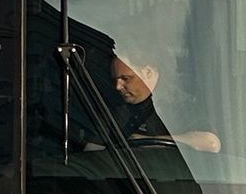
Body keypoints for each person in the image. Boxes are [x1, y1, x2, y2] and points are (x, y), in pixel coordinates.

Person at [90, 45, 220, 153]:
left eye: (125, 78)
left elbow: (211, 143)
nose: (118, 87)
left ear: (148, 72)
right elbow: (92, 149)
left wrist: (152, 142)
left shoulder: (178, 105)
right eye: (115, 80)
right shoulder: (115, 110)